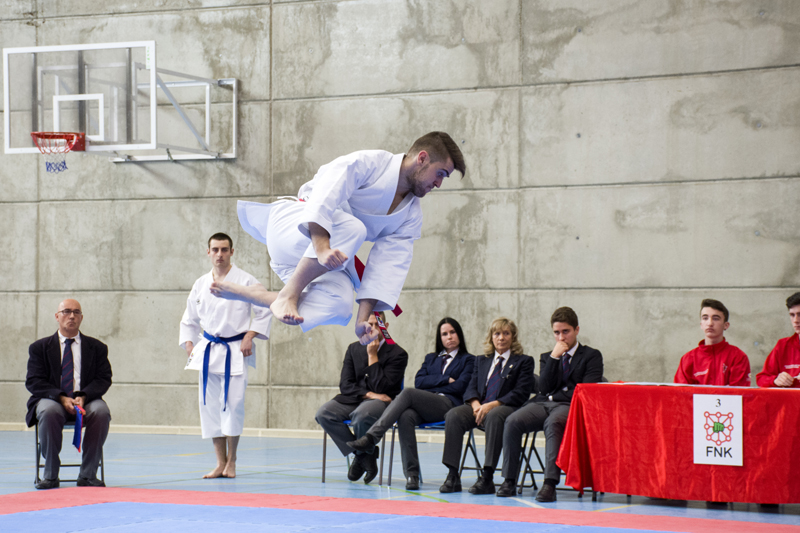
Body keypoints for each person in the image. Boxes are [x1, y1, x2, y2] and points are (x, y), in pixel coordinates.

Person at [209, 132, 466, 345]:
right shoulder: (371, 163)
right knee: (355, 228)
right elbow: (325, 193)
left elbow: (386, 269)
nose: (439, 184)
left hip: (315, 260)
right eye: (440, 173)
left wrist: (362, 321)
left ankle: (254, 295)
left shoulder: (410, 215)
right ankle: (290, 294)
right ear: (422, 158)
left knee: (340, 307)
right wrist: (321, 246)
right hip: (294, 227)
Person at [179, 233, 272, 479]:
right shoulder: (200, 283)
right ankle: (219, 462)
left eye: (224, 249)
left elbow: (265, 310)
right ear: (208, 252)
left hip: (235, 351)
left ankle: (232, 460)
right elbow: (189, 319)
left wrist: (250, 335)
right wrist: (189, 343)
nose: (219, 254)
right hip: (208, 351)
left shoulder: (246, 280)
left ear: (232, 252)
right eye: (215, 250)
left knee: (233, 406)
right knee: (209, 407)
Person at [346, 317, 475, 490]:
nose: (449, 337)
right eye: (444, 334)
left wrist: (437, 383)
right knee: (405, 416)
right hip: (425, 405)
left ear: (459, 334)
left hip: (449, 405)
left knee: (406, 393)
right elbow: (419, 381)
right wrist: (446, 379)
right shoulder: (431, 358)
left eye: (452, 332)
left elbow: (461, 385)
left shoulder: (469, 360)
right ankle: (412, 475)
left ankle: (372, 437)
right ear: (440, 338)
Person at [496, 307, 603, 502]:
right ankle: (509, 480)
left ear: (576, 330)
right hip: (543, 403)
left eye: (566, 331)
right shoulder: (548, 356)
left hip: (571, 407)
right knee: (512, 420)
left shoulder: (591, 356)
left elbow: (585, 390)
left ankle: (550, 483)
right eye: (556, 332)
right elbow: (543, 388)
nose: (561, 337)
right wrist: (554, 358)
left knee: (553, 423)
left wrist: (557, 395)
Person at [439, 317, 534, 495]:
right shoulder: (481, 360)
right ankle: (452, 475)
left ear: (513, 337)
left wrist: (492, 405)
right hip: (479, 407)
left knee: (495, 415)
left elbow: (521, 392)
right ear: (491, 337)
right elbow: (471, 386)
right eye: (497, 333)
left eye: (506, 333)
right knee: (454, 415)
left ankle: (487, 476)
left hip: (507, 407)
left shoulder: (524, 361)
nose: (501, 338)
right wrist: (475, 404)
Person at [25, 299, 112, 489]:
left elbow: (104, 378)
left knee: (101, 411)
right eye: (66, 311)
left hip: (86, 400)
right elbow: (34, 381)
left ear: (81, 317)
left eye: (76, 312)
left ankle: (88, 475)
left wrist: (84, 395)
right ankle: (50, 475)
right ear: (57, 317)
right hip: (53, 400)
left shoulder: (97, 348)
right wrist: (61, 397)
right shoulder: (39, 348)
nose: (71, 316)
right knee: (49, 412)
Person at [315, 312, 408, 484]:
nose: (372, 329)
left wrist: (373, 355)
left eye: (376, 325)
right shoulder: (353, 348)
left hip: (382, 403)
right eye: (368, 325)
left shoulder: (398, 353)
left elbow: (382, 388)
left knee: (362, 415)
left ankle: (361, 456)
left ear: (385, 327)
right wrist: (369, 394)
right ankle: (365, 454)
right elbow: (345, 384)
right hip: (355, 398)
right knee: (323, 413)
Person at [673, 299, 750, 387]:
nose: (710, 323)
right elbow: (680, 395)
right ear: (701, 324)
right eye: (705, 318)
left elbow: (739, 395)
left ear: (726, 325)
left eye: (716, 318)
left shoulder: (738, 357)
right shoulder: (687, 359)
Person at [756, 292, 800, 388]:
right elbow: (761, 379)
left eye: (799, 314)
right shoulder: (783, 345)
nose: (796, 320)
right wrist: (775, 380)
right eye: (792, 315)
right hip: (789, 402)